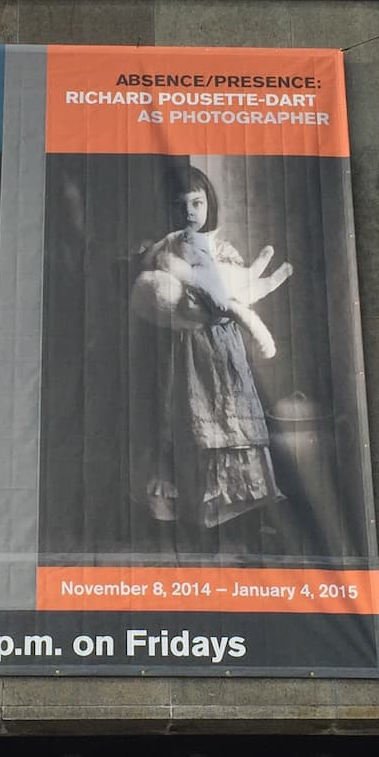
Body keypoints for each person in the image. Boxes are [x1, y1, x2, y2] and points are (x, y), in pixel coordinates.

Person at [130, 166, 291, 545]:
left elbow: (231, 294)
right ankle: (189, 518)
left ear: (208, 205)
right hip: (181, 349)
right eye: (181, 204)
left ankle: (240, 514)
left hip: (220, 347)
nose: (190, 211)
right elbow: (157, 296)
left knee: (230, 418)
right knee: (184, 419)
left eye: (197, 203)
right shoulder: (164, 249)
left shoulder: (221, 250)